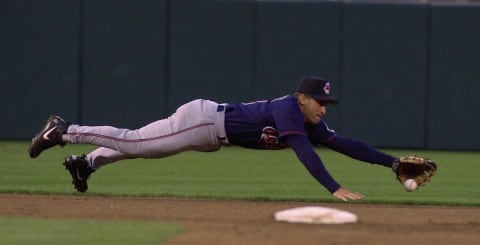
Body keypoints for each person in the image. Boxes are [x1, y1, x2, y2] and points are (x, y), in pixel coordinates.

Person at [28, 76, 400, 201]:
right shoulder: (290, 110)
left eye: (327, 103)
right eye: (320, 101)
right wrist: (333, 187)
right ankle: (64, 130)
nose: (324, 108)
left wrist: (393, 163)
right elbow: (302, 150)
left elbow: (346, 144)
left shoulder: (309, 120)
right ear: (303, 97)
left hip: (211, 132)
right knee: (137, 142)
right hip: (206, 121)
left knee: (146, 150)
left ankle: (86, 162)